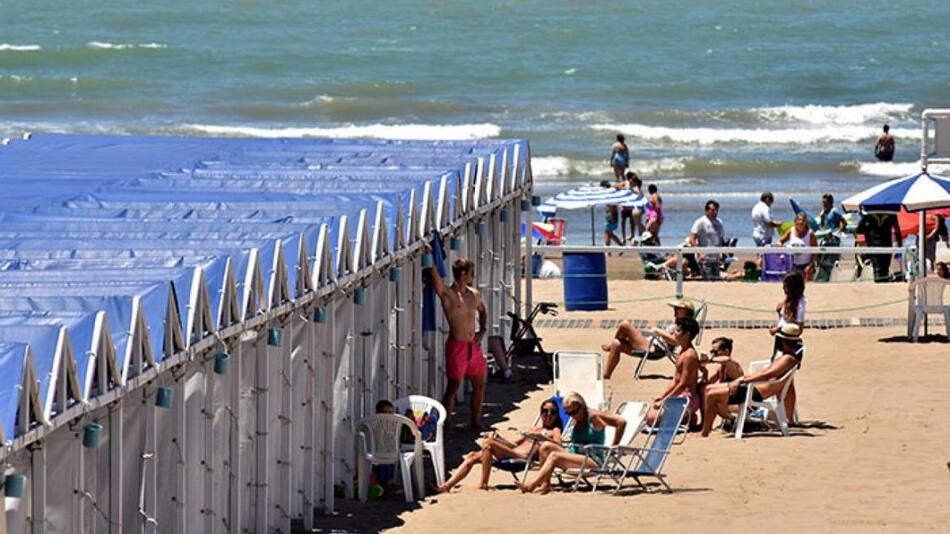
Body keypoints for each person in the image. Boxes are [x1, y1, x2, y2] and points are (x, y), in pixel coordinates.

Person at [435, 398, 563, 493]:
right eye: (545, 411)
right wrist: (499, 439)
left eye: (552, 412)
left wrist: (542, 437)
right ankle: (447, 486)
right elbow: (512, 444)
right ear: (541, 413)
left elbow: (559, 446)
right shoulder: (534, 429)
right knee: (473, 455)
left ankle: (483, 483)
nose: (548, 415)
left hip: (522, 458)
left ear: (556, 415)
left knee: (488, 444)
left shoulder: (554, 430)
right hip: (511, 452)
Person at [700, 323, 803, 437]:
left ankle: (705, 432)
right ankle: (706, 429)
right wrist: (743, 378)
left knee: (711, 394)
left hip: (756, 392)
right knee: (707, 389)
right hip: (755, 388)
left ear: (783, 340)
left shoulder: (788, 359)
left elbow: (765, 375)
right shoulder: (787, 357)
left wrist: (741, 380)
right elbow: (764, 375)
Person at [517, 392, 626, 494]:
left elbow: (621, 422)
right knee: (545, 447)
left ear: (581, 406)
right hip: (575, 455)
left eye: (573, 412)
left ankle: (530, 485)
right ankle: (546, 485)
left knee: (554, 456)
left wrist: (614, 446)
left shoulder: (595, 416)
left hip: (592, 460)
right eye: (568, 413)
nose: (571, 416)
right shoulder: (578, 418)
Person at [428, 256, 488, 430]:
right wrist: (431, 260)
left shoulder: (474, 294)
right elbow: (437, 282)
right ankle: (446, 424)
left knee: (479, 384)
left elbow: (483, 310)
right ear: (463, 275)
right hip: (457, 345)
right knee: (453, 386)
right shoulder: (449, 295)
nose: (473, 276)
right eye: (471, 273)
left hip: (472, 346)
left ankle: (475, 421)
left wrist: (482, 330)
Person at [601, 298, 697, 379]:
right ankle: (606, 375)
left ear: (686, 311)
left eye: (678, 308)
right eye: (675, 308)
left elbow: (675, 341)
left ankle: (609, 346)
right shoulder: (678, 323)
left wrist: (658, 331)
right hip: (651, 342)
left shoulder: (684, 326)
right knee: (616, 344)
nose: (675, 310)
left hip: (654, 348)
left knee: (625, 325)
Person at [644, 317, 701, 426]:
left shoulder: (689, 355)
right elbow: (675, 380)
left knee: (651, 419)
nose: (674, 333)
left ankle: (686, 417)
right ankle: (686, 418)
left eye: (678, 331)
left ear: (687, 334)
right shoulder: (682, 351)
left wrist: (665, 400)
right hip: (680, 394)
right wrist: (663, 396)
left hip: (688, 398)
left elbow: (683, 383)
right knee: (650, 412)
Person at [697, 337, 744, 428]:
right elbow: (707, 382)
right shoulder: (721, 368)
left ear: (726, 351)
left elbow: (727, 360)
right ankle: (704, 422)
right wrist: (704, 371)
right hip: (727, 401)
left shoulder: (733, 365)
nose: (713, 354)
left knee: (712, 399)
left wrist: (710, 359)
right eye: (711, 352)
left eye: (715, 352)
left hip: (738, 403)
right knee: (702, 388)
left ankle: (731, 418)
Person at [856, 213, 902, 282]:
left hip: (873, 244)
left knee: (877, 269)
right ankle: (883, 283)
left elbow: (859, 230)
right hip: (886, 245)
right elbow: (897, 231)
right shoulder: (891, 213)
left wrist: (868, 230)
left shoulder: (868, 213)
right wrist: (900, 246)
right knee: (885, 269)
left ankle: (878, 282)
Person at [689, 199, 727, 280]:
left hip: (716, 258)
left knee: (716, 280)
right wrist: (699, 253)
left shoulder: (719, 222)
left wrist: (723, 254)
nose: (715, 212)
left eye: (716, 210)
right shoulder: (700, 222)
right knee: (708, 280)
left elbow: (721, 239)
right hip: (705, 258)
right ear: (707, 210)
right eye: (713, 210)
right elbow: (692, 238)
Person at [771, 271, 806, 356]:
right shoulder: (789, 299)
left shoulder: (799, 304)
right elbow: (786, 320)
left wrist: (778, 329)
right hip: (781, 338)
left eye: (785, 286)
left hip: (788, 341)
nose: (783, 288)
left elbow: (799, 329)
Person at [779, 212, 818, 279]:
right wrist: (781, 249)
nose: (801, 222)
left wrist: (810, 265)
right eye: (799, 220)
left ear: (806, 222)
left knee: (807, 280)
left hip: (806, 265)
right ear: (795, 221)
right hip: (792, 264)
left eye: (803, 220)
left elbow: (815, 252)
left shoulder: (810, 234)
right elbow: (780, 241)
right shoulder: (791, 231)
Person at [620, 172, 644, 242]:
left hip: (631, 206)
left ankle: (634, 235)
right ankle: (624, 236)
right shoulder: (626, 183)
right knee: (623, 221)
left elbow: (638, 193)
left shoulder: (635, 187)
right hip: (626, 205)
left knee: (633, 222)